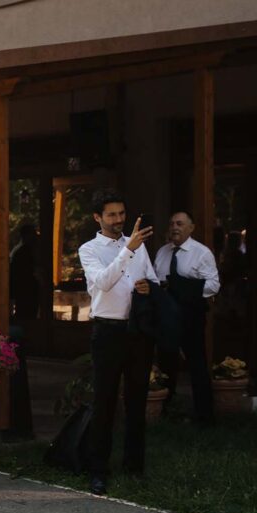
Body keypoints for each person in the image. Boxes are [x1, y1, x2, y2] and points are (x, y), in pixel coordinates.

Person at [77, 188, 157, 495]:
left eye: (121, 213)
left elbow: (153, 278)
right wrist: (128, 251)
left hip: (137, 330)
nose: (118, 220)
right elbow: (103, 282)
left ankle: (134, 466)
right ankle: (98, 470)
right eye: (111, 214)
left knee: (137, 399)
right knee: (105, 401)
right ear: (98, 217)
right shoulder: (89, 249)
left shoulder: (138, 245)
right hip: (107, 331)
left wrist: (148, 286)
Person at [153, 210, 220, 422]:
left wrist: (184, 288)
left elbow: (213, 285)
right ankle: (166, 411)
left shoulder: (201, 253)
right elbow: (155, 280)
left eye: (180, 224)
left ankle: (204, 416)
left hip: (191, 314)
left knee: (196, 364)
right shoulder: (162, 252)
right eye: (172, 223)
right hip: (166, 315)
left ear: (191, 228)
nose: (175, 227)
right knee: (166, 362)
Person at [10, 223, 40, 320]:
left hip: (28, 289)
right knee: (25, 315)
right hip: (24, 289)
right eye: (33, 234)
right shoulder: (21, 252)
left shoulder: (26, 250)